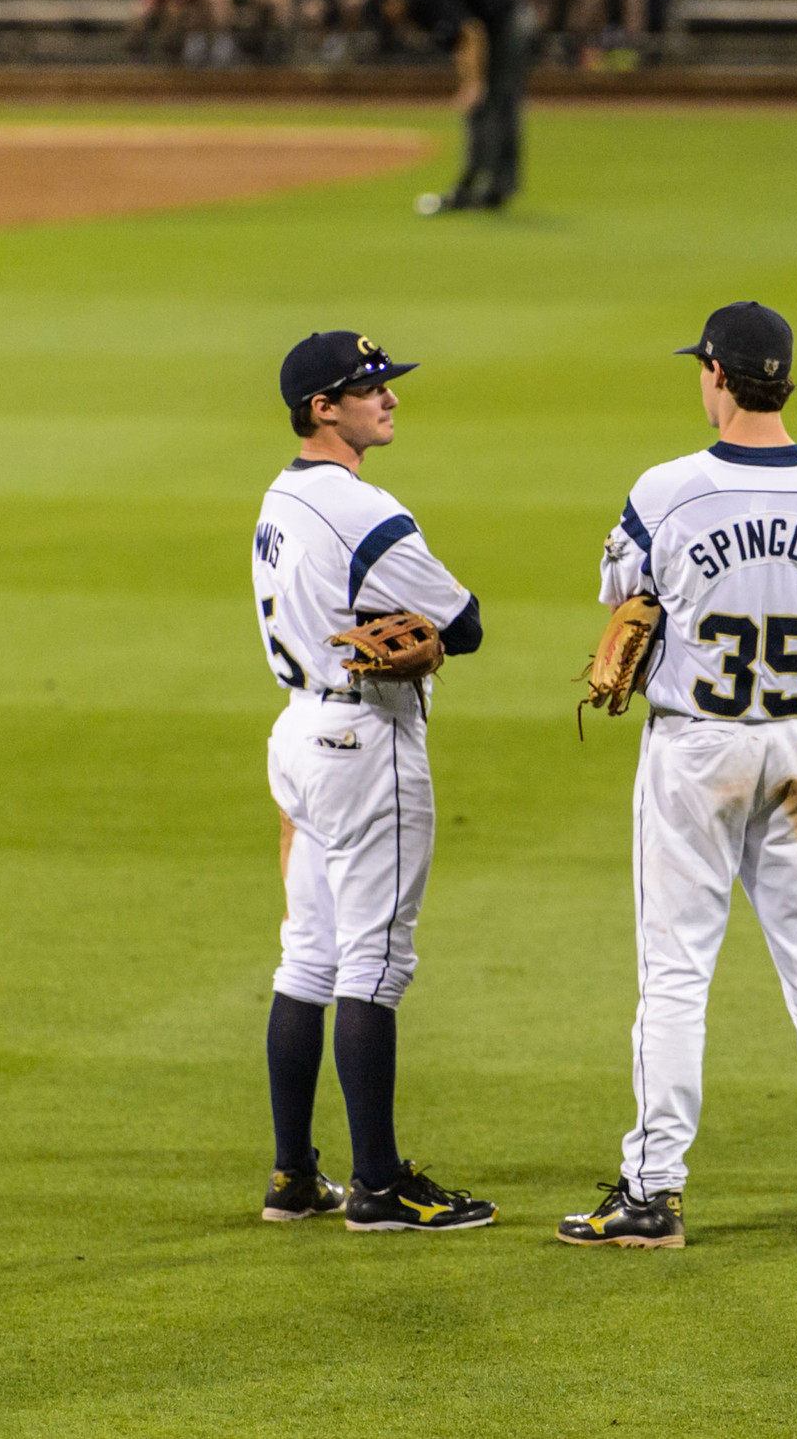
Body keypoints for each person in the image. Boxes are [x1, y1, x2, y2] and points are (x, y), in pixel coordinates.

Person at [558, 303, 797, 1248]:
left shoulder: (667, 490)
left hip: (699, 750)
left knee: (675, 971)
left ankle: (653, 1189)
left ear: (715, 373)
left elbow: (621, 598)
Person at [254, 331, 496, 1234]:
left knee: (307, 955)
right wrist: (434, 635)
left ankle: (292, 1174)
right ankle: (381, 1187)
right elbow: (464, 621)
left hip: (297, 732)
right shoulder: (364, 510)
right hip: (365, 740)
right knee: (372, 963)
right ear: (325, 407)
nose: (388, 397)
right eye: (369, 387)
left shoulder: (279, 495)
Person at [403, 0, 527, 213]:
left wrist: (473, 85)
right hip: (499, 27)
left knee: (493, 107)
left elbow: (471, 33)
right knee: (491, 109)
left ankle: (485, 187)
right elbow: (462, 44)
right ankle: (485, 187)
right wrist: (469, 82)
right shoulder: (421, 0)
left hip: (505, 27)